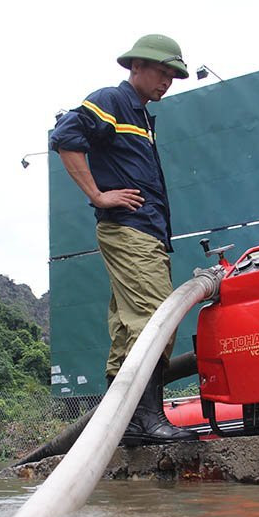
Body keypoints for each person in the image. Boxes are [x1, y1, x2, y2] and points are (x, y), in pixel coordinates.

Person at [49, 34, 197, 444]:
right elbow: (65, 137)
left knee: (127, 329)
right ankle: (148, 418)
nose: (167, 82)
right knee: (157, 320)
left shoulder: (142, 116)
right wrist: (97, 194)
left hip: (145, 233)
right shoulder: (113, 101)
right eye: (161, 72)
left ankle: (127, 423)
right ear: (136, 67)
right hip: (130, 231)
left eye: (173, 76)